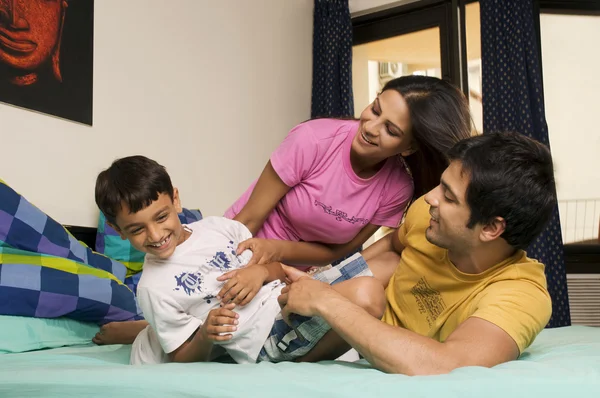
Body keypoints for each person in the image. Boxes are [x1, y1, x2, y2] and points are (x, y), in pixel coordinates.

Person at [93, 75, 473, 345]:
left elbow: (343, 251)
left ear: (407, 148)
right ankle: (151, 329)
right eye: (374, 109)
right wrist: (242, 263)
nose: (370, 127)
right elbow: (250, 219)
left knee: (385, 272)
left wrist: (280, 261)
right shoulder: (313, 139)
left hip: (303, 267)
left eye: (390, 130)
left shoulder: (398, 186)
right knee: (215, 306)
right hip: (246, 246)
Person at [276, 132, 555, 374]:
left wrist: (328, 301)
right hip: (349, 331)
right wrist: (329, 279)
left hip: (381, 347)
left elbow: (446, 366)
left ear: (491, 228)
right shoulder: (431, 217)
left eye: (448, 197)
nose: (430, 197)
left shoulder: (521, 296)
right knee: (385, 264)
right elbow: (392, 245)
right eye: (440, 185)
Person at [94, 155, 384, 365]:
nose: (155, 234)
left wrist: (260, 272)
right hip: (264, 337)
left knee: (373, 280)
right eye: (137, 229)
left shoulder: (219, 227)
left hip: (287, 298)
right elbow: (180, 356)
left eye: (161, 217)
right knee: (366, 295)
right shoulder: (153, 288)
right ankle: (305, 360)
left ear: (176, 200)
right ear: (118, 231)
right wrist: (206, 334)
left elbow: (277, 271)